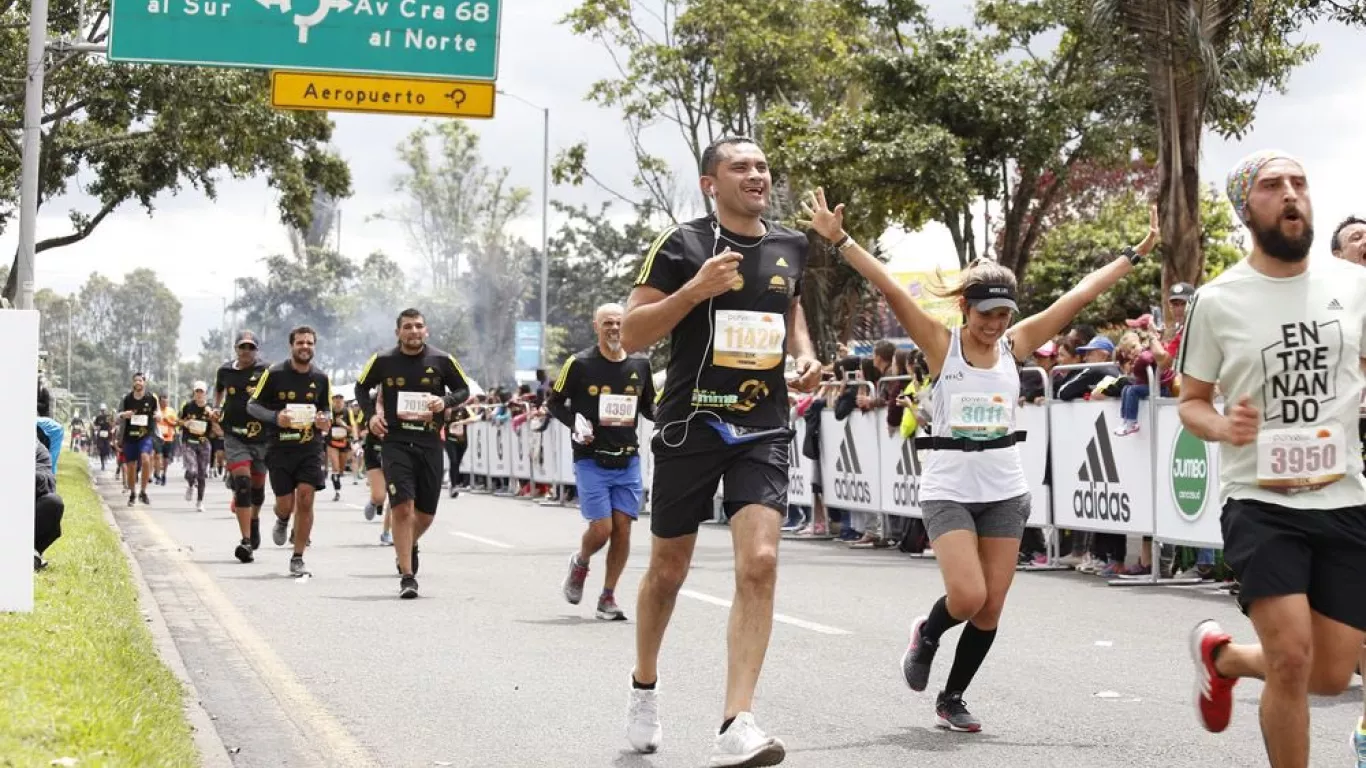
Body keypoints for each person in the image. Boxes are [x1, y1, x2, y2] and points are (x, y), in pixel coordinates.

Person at [800, 187, 1156, 732]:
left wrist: (1134, 253)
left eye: (1003, 313)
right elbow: (890, 287)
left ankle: (953, 696)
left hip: (1005, 490)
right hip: (948, 488)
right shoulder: (942, 346)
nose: (994, 323)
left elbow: (1078, 297)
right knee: (967, 596)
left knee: (991, 607)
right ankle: (927, 634)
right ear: (966, 307)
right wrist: (840, 239)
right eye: (986, 312)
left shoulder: (1016, 346)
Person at [621, 136, 822, 765]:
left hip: (761, 427)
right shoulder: (681, 245)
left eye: (761, 166)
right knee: (668, 573)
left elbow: (790, 316)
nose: (756, 175)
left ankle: (737, 721)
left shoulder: (790, 244)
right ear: (712, 183)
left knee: (760, 562)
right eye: (741, 167)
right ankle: (645, 684)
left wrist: (804, 356)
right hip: (690, 425)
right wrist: (694, 292)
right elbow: (631, 332)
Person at [1176, 151, 1366, 768]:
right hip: (1260, 500)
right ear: (1246, 208)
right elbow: (1191, 403)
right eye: (1272, 185)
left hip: (1344, 495)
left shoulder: (1354, 286)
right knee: (1289, 659)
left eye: (1300, 183)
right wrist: (1226, 428)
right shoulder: (1218, 299)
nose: (1291, 194)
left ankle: (1225, 660)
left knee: (1332, 674)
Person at [547, 302, 657, 621]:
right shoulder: (579, 363)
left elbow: (650, 407)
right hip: (591, 458)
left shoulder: (641, 363)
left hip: (628, 459)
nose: (614, 328)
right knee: (602, 529)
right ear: (597, 327)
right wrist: (574, 422)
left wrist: (670, 418)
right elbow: (554, 402)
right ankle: (581, 562)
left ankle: (607, 596)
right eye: (607, 323)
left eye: (619, 322)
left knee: (623, 530)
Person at [354, 308, 471, 599]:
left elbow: (463, 390)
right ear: (398, 332)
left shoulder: (441, 359)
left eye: (419, 326)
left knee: (426, 515)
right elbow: (360, 387)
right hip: (395, 442)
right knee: (402, 507)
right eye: (408, 327)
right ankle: (407, 575)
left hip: (430, 443)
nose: (414, 331)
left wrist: (443, 401)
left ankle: (408, 544)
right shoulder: (383, 360)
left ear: (426, 330)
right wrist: (371, 416)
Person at [247, 326, 333, 577]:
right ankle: (283, 519)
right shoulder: (274, 374)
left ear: (314, 346)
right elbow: (252, 405)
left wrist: (323, 420)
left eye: (309, 343)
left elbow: (326, 410)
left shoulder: (321, 378)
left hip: (310, 447)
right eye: (300, 342)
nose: (305, 347)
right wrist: (276, 417)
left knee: (306, 498)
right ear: (291, 346)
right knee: (286, 504)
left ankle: (298, 557)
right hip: (280, 447)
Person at [217, 331, 271, 563]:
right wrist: (215, 407)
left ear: (257, 350)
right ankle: (246, 541)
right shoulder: (225, 371)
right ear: (236, 349)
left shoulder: (267, 371)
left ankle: (255, 519)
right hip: (234, 435)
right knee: (242, 483)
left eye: (251, 347)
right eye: (242, 347)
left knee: (257, 488)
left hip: (262, 437)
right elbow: (218, 390)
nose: (246, 351)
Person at [118, 373, 160, 507]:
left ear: (144, 383)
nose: (138, 382)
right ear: (133, 383)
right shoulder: (126, 399)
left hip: (145, 435)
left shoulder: (152, 398)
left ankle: (143, 491)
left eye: (140, 380)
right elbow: (117, 415)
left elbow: (158, 413)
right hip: (129, 436)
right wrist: (124, 414)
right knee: (131, 466)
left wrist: (158, 416)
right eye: (136, 380)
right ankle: (133, 493)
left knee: (146, 459)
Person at [358, 391, 394, 545]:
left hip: (397, 450)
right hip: (375, 450)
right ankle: (374, 502)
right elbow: (360, 425)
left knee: (397, 496)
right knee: (380, 497)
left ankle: (387, 533)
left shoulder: (404, 396)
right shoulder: (371, 400)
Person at [179, 381, 216, 511]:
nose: (199, 394)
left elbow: (216, 424)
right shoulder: (188, 406)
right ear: (194, 393)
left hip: (204, 442)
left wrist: (212, 415)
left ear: (206, 394)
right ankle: (190, 485)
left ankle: (200, 502)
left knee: (201, 474)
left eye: (202, 392)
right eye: (197, 391)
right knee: (192, 470)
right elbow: (179, 421)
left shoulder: (210, 408)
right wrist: (186, 423)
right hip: (189, 442)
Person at [34, 436, 64, 571]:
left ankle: (32, 551)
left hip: (21, 513)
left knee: (53, 503)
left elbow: (48, 481)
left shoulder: (38, 449)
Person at [326, 392, 355, 502]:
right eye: (335, 400)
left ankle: (336, 478)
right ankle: (337, 491)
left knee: (341, 470)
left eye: (340, 400)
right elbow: (324, 426)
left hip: (344, 442)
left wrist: (342, 424)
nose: (338, 403)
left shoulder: (348, 412)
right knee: (336, 467)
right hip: (332, 442)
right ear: (332, 401)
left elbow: (352, 428)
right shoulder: (329, 412)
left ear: (343, 401)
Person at [92, 405, 113, 471]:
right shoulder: (98, 417)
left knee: (107, 448)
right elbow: (95, 424)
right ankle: (102, 464)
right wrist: (96, 428)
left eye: (104, 410)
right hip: (100, 434)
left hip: (107, 434)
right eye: (102, 410)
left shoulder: (108, 417)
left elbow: (112, 424)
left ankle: (108, 455)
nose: (103, 411)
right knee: (100, 448)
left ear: (105, 410)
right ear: (100, 410)